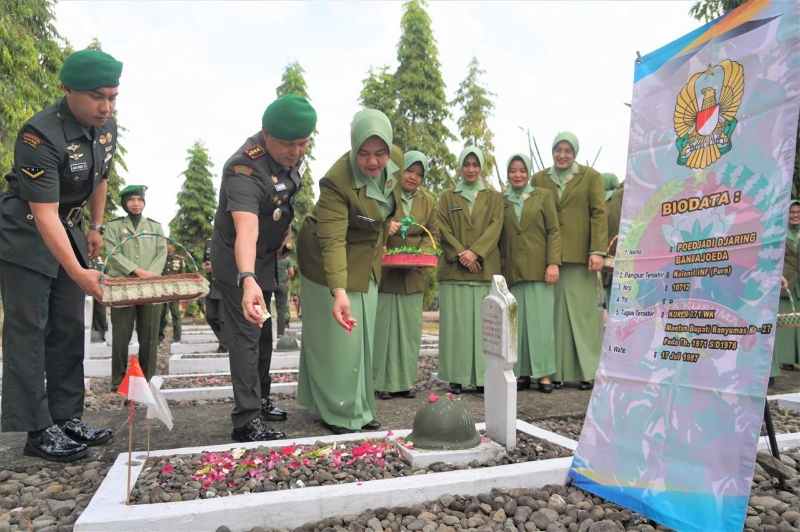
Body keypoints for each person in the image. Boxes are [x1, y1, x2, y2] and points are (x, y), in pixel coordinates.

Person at [0, 49, 120, 461]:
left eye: (113, 96)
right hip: (26, 229)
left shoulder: (106, 128)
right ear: (67, 90)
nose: (106, 106)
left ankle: (67, 416)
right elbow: (43, 212)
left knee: (69, 325)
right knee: (31, 329)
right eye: (97, 97)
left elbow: (101, 176)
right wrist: (78, 270)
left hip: (65, 225)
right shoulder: (39, 135)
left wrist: (96, 227)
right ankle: (37, 429)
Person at [210, 94, 316, 442]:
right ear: (266, 134)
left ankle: (262, 397)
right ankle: (246, 420)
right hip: (238, 260)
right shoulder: (243, 168)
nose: (296, 152)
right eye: (288, 144)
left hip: (267, 257)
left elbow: (283, 203)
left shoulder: (291, 159)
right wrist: (247, 278)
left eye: (303, 144)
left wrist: (283, 237)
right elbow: (246, 229)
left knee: (264, 334)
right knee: (245, 336)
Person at [297, 109, 401, 433]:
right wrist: (338, 291)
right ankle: (340, 412)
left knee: (363, 334)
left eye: (380, 153)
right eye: (364, 154)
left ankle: (360, 406)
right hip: (326, 260)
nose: (373, 162)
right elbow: (332, 241)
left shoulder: (392, 166)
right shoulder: (336, 182)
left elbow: (385, 210)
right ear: (353, 147)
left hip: (365, 258)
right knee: (338, 340)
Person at [532, 132, 607, 390]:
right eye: (558, 150)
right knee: (553, 317)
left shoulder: (591, 177)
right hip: (549, 257)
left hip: (581, 257)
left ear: (574, 152)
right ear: (552, 151)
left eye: (567, 150)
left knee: (583, 314)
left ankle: (589, 371)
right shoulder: (539, 179)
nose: (562, 155)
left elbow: (599, 213)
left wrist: (597, 250)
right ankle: (556, 371)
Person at [436, 146, 504, 394]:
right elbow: (441, 227)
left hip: (484, 271)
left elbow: (496, 226)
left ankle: (484, 378)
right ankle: (456, 376)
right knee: (457, 326)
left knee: (484, 326)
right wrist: (461, 254)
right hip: (455, 273)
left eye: (476, 165)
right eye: (467, 164)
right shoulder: (447, 197)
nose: (471, 169)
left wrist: (475, 252)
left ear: (482, 167)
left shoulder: (495, 197)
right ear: (461, 167)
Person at [373, 150, 438, 400]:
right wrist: (385, 228)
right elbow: (372, 222)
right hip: (386, 272)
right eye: (410, 171)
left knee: (409, 332)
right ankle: (380, 382)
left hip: (413, 274)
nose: (413, 177)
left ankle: (403, 383)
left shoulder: (428, 201)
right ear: (401, 170)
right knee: (384, 330)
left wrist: (417, 253)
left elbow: (433, 233)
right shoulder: (386, 194)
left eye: (419, 174)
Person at [499, 153, 561, 393]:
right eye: (513, 170)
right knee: (518, 326)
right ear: (508, 174)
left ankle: (544, 374)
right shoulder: (501, 200)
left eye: (522, 170)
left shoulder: (542, 196)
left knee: (541, 324)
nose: (517, 175)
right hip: (513, 271)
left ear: (529, 172)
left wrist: (553, 263)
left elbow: (554, 230)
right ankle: (522, 372)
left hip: (540, 270)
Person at [104, 185, 167, 388]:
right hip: (124, 286)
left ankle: (145, 379)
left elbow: (161, 252)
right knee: (121, 334)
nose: (136, 204)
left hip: (150, 286)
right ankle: (118, 380)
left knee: (149, 334)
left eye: (139, 200)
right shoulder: (113, 226)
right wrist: (136, 271)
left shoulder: (155, 226)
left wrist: (150, 274)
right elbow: (112, 253)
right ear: (124, 203)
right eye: (131, 200)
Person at [774, 200, 800, 381]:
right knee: (786, 319)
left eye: (798, 212)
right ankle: (784, 360)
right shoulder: (779, 233)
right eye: (792, 212)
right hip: (786, 280)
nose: (795, 215)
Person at [202, 239, 226, 352]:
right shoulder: (208, 242)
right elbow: (205, 261)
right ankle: (226, 341)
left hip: (225, 285)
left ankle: (224, 344)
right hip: (211, 285)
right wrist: (206, 266)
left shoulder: (228, 238)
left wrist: (216, 267)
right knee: (210, 316)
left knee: (223, 318)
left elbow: (232, 261)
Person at [159, 243, 186, 343]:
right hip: (162, 290)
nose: (168, 248)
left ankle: (177, 337)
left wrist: (180, 290)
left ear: (173, 248)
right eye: (166, 247)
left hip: (174, 290)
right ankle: (159, 337)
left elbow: (182, 274)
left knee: (175, 314)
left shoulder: (179, 259)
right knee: (161, 314)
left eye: (169, 247)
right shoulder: (160, 259)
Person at [274, 247, 295, 337]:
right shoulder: (287, 260)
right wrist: (286, 279)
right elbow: (291, 273)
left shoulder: (273, 259)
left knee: (267, 307)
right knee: (281, 310)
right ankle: (280, 333)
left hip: (272, 284)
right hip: (283, 286)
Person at [90, 255, 108, 343]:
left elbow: (105, 274)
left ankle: (100, 333)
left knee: (100, 310)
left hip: (99, 288)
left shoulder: (100, 260)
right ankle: (97, 332)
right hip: (87, 287)